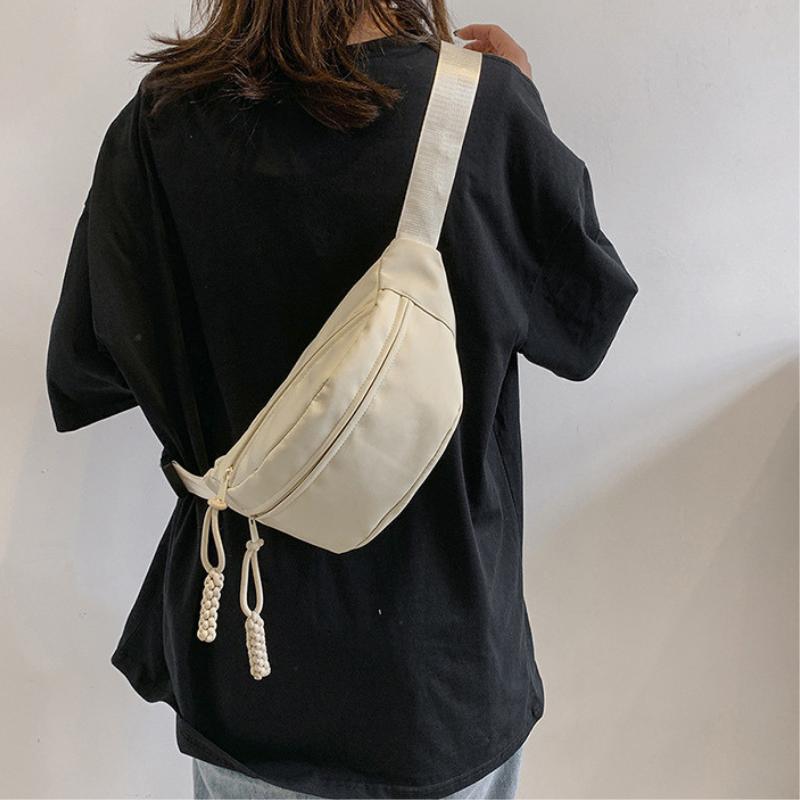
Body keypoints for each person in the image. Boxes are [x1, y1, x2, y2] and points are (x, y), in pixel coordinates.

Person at [45, 2, 638, 798]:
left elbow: (91, 364)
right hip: (432, 678)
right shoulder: (482, 111)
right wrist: (521, 110)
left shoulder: (157, 124)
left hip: (244, 659)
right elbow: (582, 324)